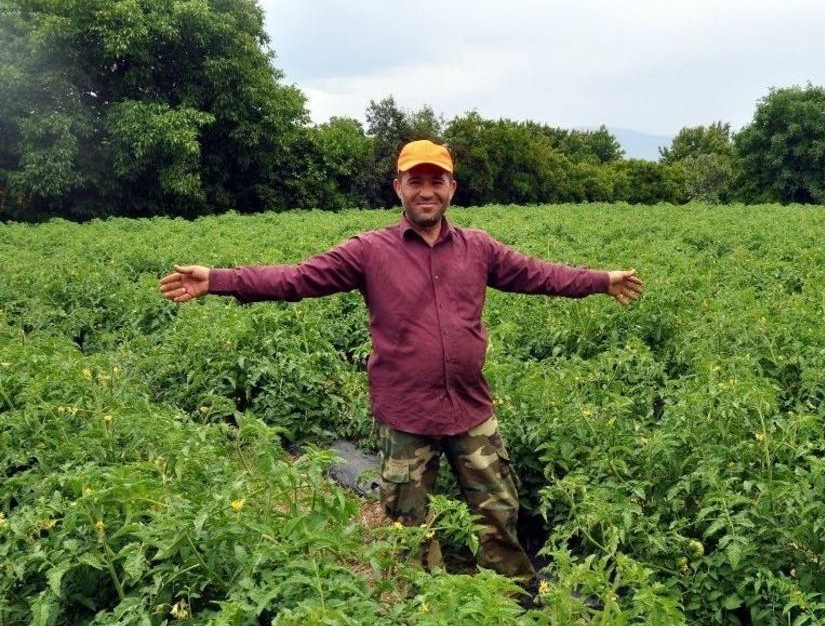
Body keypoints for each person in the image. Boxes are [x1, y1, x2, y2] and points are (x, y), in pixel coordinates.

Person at [158, 139, 643, 595]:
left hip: (470, 409)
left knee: (498, 510)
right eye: (416, 181)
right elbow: (297, 278)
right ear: (398, 187)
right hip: (407, 416)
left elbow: (541, 274)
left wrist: (601, 281)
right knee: (408, 524)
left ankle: (514, 599)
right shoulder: (370, 251)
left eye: (437, 181)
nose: (426, 191)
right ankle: (423, 605)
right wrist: (218, 279)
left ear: (452, 188)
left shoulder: (479, 248)